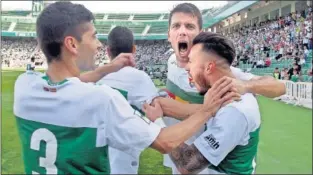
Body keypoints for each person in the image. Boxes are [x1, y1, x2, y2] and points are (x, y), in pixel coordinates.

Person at [13, 2, 238, 174]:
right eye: (93, 36)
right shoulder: (102, 100)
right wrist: (208, 109)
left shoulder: (25, 86)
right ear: (72, 44)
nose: (99, 45)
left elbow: (72, 82)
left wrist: (106, 69)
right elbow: (165, 141)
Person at [157, 3, 285, 174]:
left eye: (189, 26)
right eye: (176, 26)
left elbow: (280, 87)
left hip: (203, 160)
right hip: (180, 152)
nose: (182, 31)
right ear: (169, 35)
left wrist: (247, 85)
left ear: (200, 32)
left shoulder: (219, 71)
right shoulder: (172, 61)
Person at [145, 32, 261, 174]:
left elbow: (186, 165)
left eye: (192, 61)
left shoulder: (235, 110)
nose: (187, 67)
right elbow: (194, 111)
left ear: (208, 67)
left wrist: (157, 121)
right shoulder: (222, 97)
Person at [97, 26, 161, 174]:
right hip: (122, 160)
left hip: (96, 156)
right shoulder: (139, 78)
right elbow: (157, 110)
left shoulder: (96, 75)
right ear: (134, 49)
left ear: (108, 51)